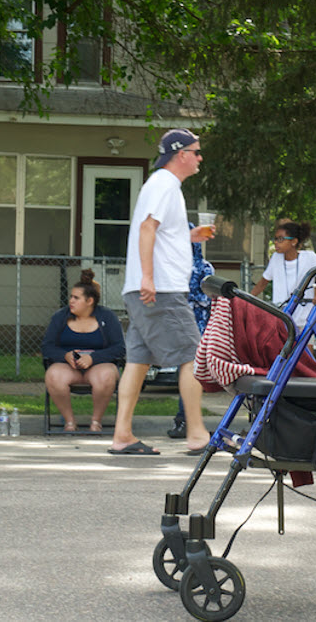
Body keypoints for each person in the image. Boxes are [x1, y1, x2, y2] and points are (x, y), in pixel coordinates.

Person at [116, 128, 212, 455]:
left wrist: (190, 237)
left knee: (138, 360)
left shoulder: (162, 185)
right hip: (161, 290)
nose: (200, 158)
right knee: (192, 356)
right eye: (196, 152)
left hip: (148, 288)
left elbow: (161, 235)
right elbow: (147, 228)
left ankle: (122, 435)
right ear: (180, 153)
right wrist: (148, 278)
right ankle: (198, 434)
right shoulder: (164, 184)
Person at [41, 269, 125, 432]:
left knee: (106, 376)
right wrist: (65, 355)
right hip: (68, 366)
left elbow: (119, 348)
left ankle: (96, 422)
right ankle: (70, 422)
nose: (71, 301)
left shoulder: (107, 317)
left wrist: (94, 357)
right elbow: (47, 346)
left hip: (99, 366)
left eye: (76, 298)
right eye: (71, 297)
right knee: (53, 375)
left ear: (89, 301)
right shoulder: (60, 317)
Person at [168, 222, 214, 439]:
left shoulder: (176, 267)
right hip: (199, 326)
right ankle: (187, 421)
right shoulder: (204, 268)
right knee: (190, 372)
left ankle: (184, 421)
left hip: (185, 325)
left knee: (188, 371)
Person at [250, 221, 316, 331]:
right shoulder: (276, 258)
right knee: (281, 347)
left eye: (280, 239)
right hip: (281, 315)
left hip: (304, 315)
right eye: (275, 239)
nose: (275, 243)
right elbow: (262, 283)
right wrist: (246, 299)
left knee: (305, 347)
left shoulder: (309, 257)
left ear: (294, 241)